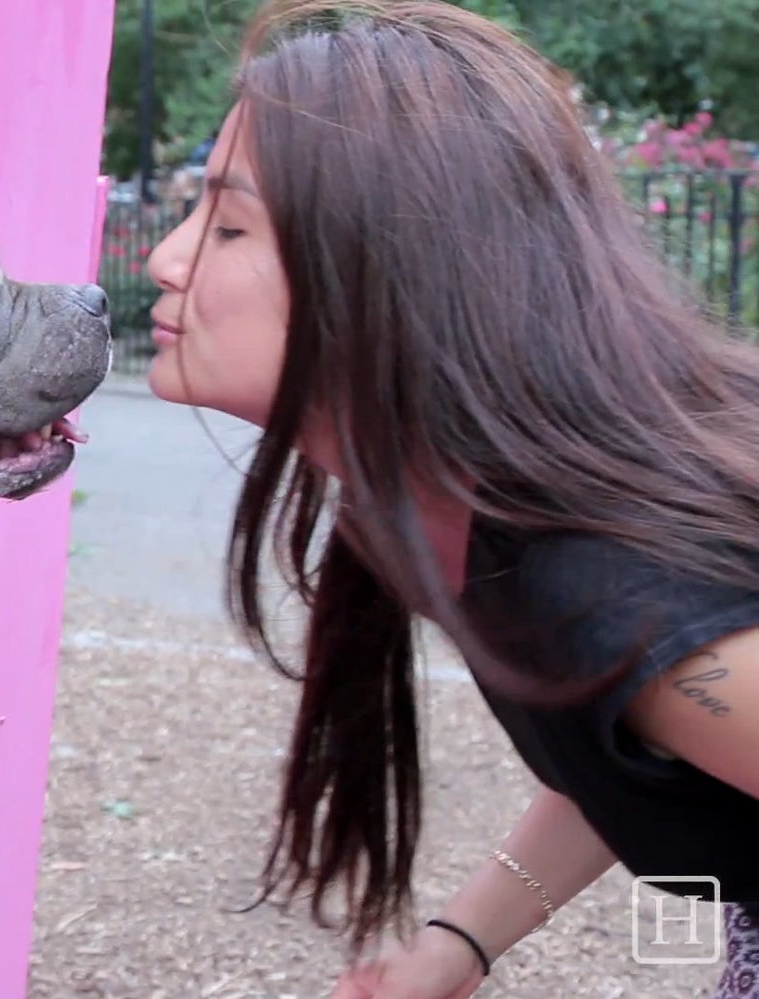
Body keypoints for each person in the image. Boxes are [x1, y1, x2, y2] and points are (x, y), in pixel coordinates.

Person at [140, 1, 759, 996]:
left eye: (230, 224)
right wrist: (460, 941)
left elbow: (655, 675)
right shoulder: (459, 506)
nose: (164, 259)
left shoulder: (620, 590)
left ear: (391, 270)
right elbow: (636, 739)